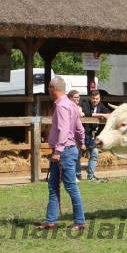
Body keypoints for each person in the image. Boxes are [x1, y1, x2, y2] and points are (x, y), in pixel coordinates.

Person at [37, 76, 85, 231]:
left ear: (53, 89)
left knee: (70, 186)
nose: (49, 92)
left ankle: (79, 221)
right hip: (69, 150)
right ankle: (50, 220)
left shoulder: (62, 106)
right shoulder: (72, 105)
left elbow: (63, 130)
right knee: (53, 186)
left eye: (49, 89)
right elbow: (79, 128)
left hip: (63, 152)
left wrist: (58, 151)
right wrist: (81, 143)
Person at [81, 88, 109, 181]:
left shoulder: (100, 105)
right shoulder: (85, 103)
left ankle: (91, 176)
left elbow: (107, 113)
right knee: (77, 155)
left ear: (99, 98)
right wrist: (102, 115)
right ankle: (77, 175)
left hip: (91, 135)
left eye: (97, 99)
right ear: (90, 98)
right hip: (82, 133)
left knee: (94, 153)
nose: (95, 100)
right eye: (93, 98)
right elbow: (87, 113)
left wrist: (107, 115)